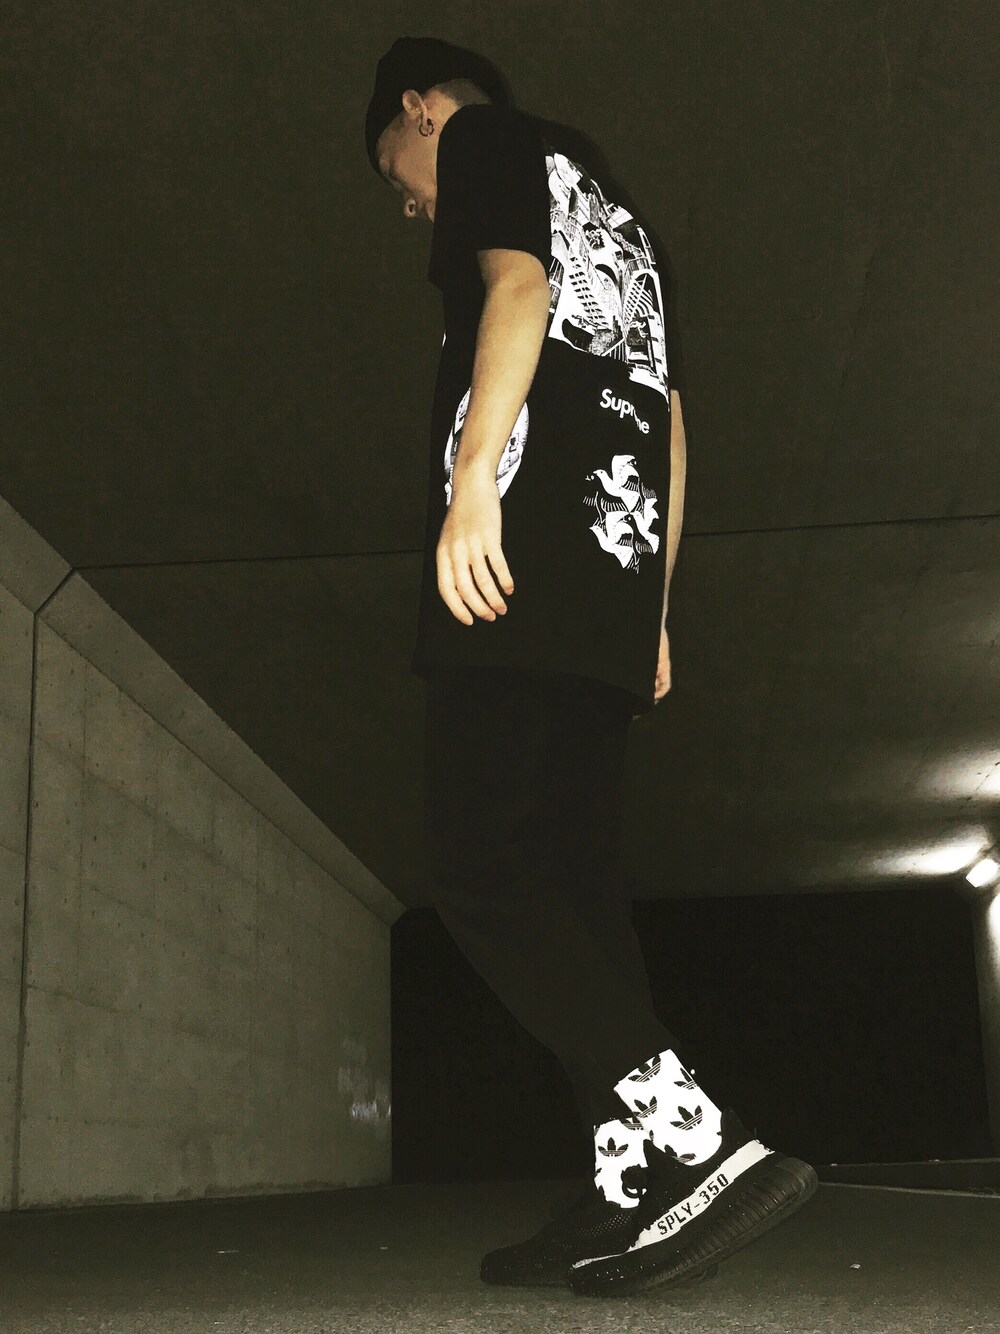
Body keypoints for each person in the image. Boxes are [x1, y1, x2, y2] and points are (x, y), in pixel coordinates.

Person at [365, 36, 817, 1299]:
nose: (409, 204)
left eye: (396, 174)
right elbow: (665, 416)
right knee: (571, 881)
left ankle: (694, 1137)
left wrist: (471, 484)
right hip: (609, 580)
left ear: (419, 109)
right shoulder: (615, 213)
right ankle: (627, 1174)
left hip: (520, 551)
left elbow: (513, 288)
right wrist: (652, 607)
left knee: (481, 862)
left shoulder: (486, 143)